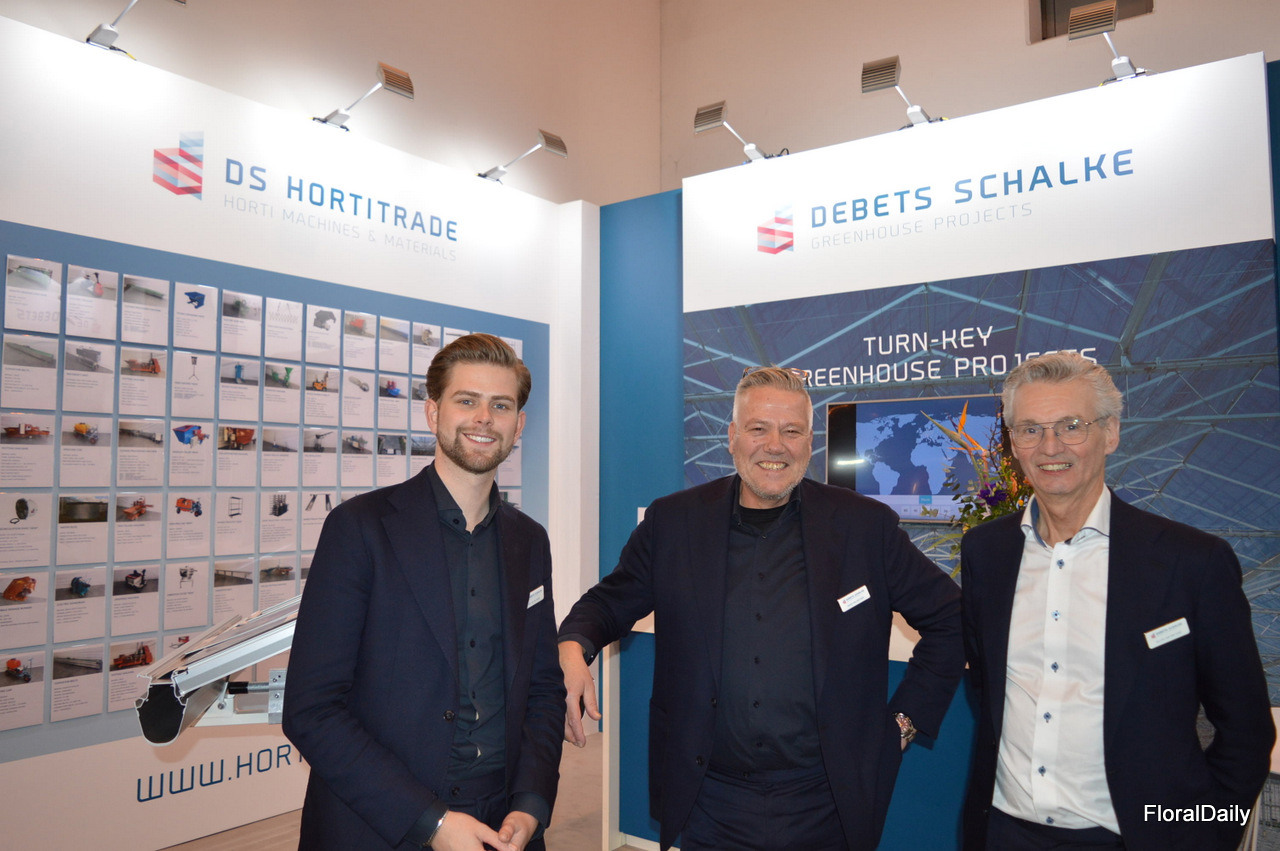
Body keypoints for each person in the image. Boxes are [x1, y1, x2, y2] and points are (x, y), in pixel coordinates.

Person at [558, 366, 965, 851]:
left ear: (809, 443)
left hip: (828, 801)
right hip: (710, 798)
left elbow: (951, 619)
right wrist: (573, 645)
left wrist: (904, 721)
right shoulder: (674, 522)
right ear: (733, 437)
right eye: (759, 428)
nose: (775, 446)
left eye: (791, 431)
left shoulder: (863, 527)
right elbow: (610, 601)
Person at [961, 350, 1274, 850]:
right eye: (1030, 429)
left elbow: (1247, 731)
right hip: (1004, 831)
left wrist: (1206, 836)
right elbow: (987, 687)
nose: (1050, 446)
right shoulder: (987, 552)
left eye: (1071, 426)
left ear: (1110, 433)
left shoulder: (1191, 563)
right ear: (1013, 444)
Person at [283, 333, 565, 851]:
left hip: (502, 823)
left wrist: (532, 801)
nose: (485, 418)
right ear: (433, 413)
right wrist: (431, 822)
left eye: (501, 405)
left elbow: (544, 689)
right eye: (467, 401)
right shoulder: (360, 528)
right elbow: (311, 708)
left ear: (519, 425)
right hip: (382, 824)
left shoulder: (530, 541)